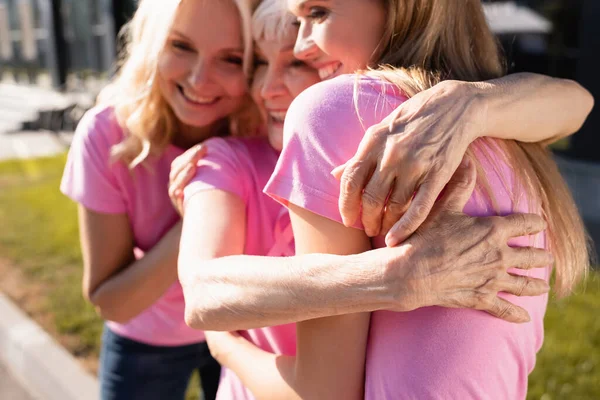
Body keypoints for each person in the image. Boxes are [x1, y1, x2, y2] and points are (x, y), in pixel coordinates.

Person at [194, 0, 589, 399]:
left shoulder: (337, 109)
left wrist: (225, 345)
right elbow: (579, 102)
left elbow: (323, 392)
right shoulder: (516, 133)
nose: (300, 47)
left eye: (317, 14)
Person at [59, 0, 260, 398]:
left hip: (245, 334)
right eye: (181, 46)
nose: (200, 79)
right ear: (151, 44)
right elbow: (111, 300)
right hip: (145, 342)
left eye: (232, 59)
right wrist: (203, 215)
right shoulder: (107, 135)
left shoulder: (268, 132)